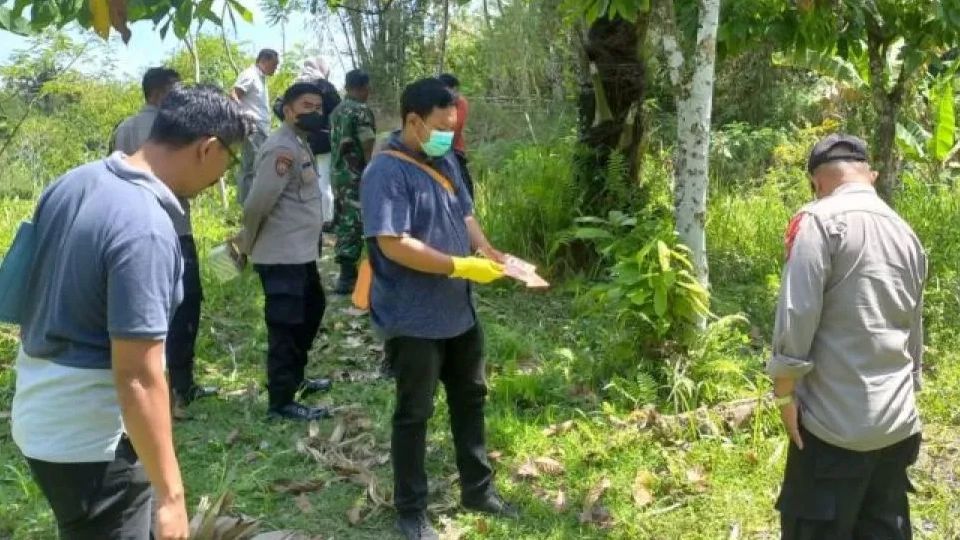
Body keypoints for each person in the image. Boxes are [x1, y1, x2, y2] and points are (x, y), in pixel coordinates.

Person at [11, 85, 247, 540]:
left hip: (40, 411)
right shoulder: (148, 228)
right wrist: (172, 497)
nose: (223, 176)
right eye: (229, 162)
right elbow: (138, 375)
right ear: (208, 148)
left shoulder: (74, 181)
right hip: (95, 439)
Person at [360, 77, 517, 540]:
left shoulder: (444, 157)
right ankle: (411, 510)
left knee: (471, 398)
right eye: (442, 125)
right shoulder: (385, 172)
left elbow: (464, 214)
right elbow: (393, 244)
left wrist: (487, 253)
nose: (450, 133)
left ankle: (478, 488)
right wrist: (457, 264)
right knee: (415, 413)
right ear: (412, 121)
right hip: (413, 317)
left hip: (459, 312)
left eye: (454, 125)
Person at [769, 134, 926, 540]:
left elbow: (797, 315)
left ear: (818, 182)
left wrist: (784, 395)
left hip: (831, 430)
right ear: (868, 175)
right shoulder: (905, 232)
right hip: (897, 427)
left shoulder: (818, 220)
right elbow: (913, 331)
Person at [112, 67, 218, 414]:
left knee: (142, 313)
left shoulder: (124, 129)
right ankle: (179, 386)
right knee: (185, 306)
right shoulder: (175, 129)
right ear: (158, 94)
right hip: (175, 229)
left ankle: (162, 386)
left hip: (130, 228)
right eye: (174, 91)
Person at [237, 82, 333, 422]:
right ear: (288, 109)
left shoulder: (299, 143)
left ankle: (296, 379)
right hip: (280, 256)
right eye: (306, 105)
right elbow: (257, 204)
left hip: (300, 253)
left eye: (318, 107)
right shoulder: (281, 148)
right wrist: (245, 245)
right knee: (285, 327)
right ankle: (280, 401)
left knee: (312, 310)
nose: (314, 112)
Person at [273, 57, 342, 233]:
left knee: (304, 179)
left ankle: (305, 217)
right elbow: (339, 109)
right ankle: (325, 219)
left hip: (302, 139)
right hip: (325, 139)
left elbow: (278, 106)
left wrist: (294, 121)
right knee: (324, 181)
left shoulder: (296, 86)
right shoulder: (324, 86)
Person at [330, 69, 375, 295]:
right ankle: (348, 278)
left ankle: (348, 272)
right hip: (356, 174)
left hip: (338, 174)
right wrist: (373, 172)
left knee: (343, 219)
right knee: (354, 222)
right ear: (364, 87)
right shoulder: (361, 111)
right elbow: (367, 144)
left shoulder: (337, 110)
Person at [232, 48, 280, 204]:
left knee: (260, 167)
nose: (275, 68)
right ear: (264, 60)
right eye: (274, 64)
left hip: (262, 128)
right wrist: (244, 118)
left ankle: (255, 204)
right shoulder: (250, 74)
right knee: (251, 168)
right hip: (253, 128)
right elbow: (233, 94)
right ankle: (247, 206)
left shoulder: (261, 78)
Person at [438, 73, 473, 198]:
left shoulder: (460, 103)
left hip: (453, 148)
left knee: (463, 183)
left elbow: (456, 128)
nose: (455, 93)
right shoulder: (436, 102)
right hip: (435, 147)